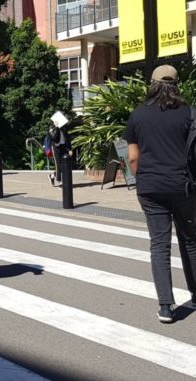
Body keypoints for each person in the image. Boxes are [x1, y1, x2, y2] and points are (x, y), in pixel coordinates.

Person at [124, 65, 196, 324]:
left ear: (152, 84)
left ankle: (166, 305)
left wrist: (141, 179)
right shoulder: (189, 113)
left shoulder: (138, 115)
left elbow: (133, 158)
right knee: (190, 242)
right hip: (183, 186)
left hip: (151, 187)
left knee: (159, 245)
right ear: (177, 85)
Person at [46, 121, 72, 187]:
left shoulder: (63, 129)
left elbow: (67, 139)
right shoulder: (52, 128)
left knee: (63, 165)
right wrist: (56, 128)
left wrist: (69, 149)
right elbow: (54, 138)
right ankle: (60, 181)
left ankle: (52, 176)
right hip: (55, 148)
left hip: (63, 147)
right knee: (58, 165)